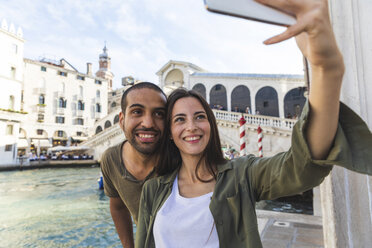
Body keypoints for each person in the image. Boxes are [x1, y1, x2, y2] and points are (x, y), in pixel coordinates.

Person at [136, 0, 372, 247]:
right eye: (179, 120)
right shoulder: (154, 190)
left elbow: (301, 166)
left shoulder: (241, 176)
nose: (191, 126)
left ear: (211, 125)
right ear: (170, 133)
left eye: (200, 116)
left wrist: (326, 67)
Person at [100, 82, 166, 248]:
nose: (148, 123)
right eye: (137, 112)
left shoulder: (179, 157)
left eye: (159, 114)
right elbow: (118, 207)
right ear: (122, 121)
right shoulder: (111, 159)